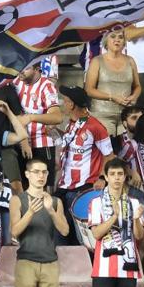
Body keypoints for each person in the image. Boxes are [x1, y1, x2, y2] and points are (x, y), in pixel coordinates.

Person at [8, 157, 69, 287]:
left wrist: (51, 211)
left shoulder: (55, 201)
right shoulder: (18, 199)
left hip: (50, 261)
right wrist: (30, 212)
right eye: (36, 172)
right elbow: (14, 231)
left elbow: (65, 230)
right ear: (27, 174)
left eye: (44, 172)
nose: (40, 176)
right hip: (26, 260)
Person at [88, 157, 144, 287]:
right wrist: (114, 216)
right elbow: (97, 233)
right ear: (105, 177)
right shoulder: (96, 203)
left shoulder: (134, 203)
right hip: (104, 267)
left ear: (125, 177)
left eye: (120, 174)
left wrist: (135, 219)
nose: (117, 178)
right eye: (112, 174)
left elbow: (139, 235)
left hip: (128, 266)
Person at [57, 86, 114, 218]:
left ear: (71, 105)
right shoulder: (71, 124)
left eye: (64, 101)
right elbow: (72, 141)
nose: (62, 104)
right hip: (65, 184)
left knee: (75, 230)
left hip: (83, 186)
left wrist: (101, 178)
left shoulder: (95, 126)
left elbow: (109, 156)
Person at [85, 27, 141, 141]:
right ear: (106, 40)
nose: (117, 40)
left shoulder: (131, 60)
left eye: (121, 37)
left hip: (126, 115)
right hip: (102, 114)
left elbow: (137, 86)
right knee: (107, 153)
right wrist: (112, 97)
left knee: (128, 151)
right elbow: (89, 89)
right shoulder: (97, 61)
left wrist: (133, 97)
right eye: (113, 36)